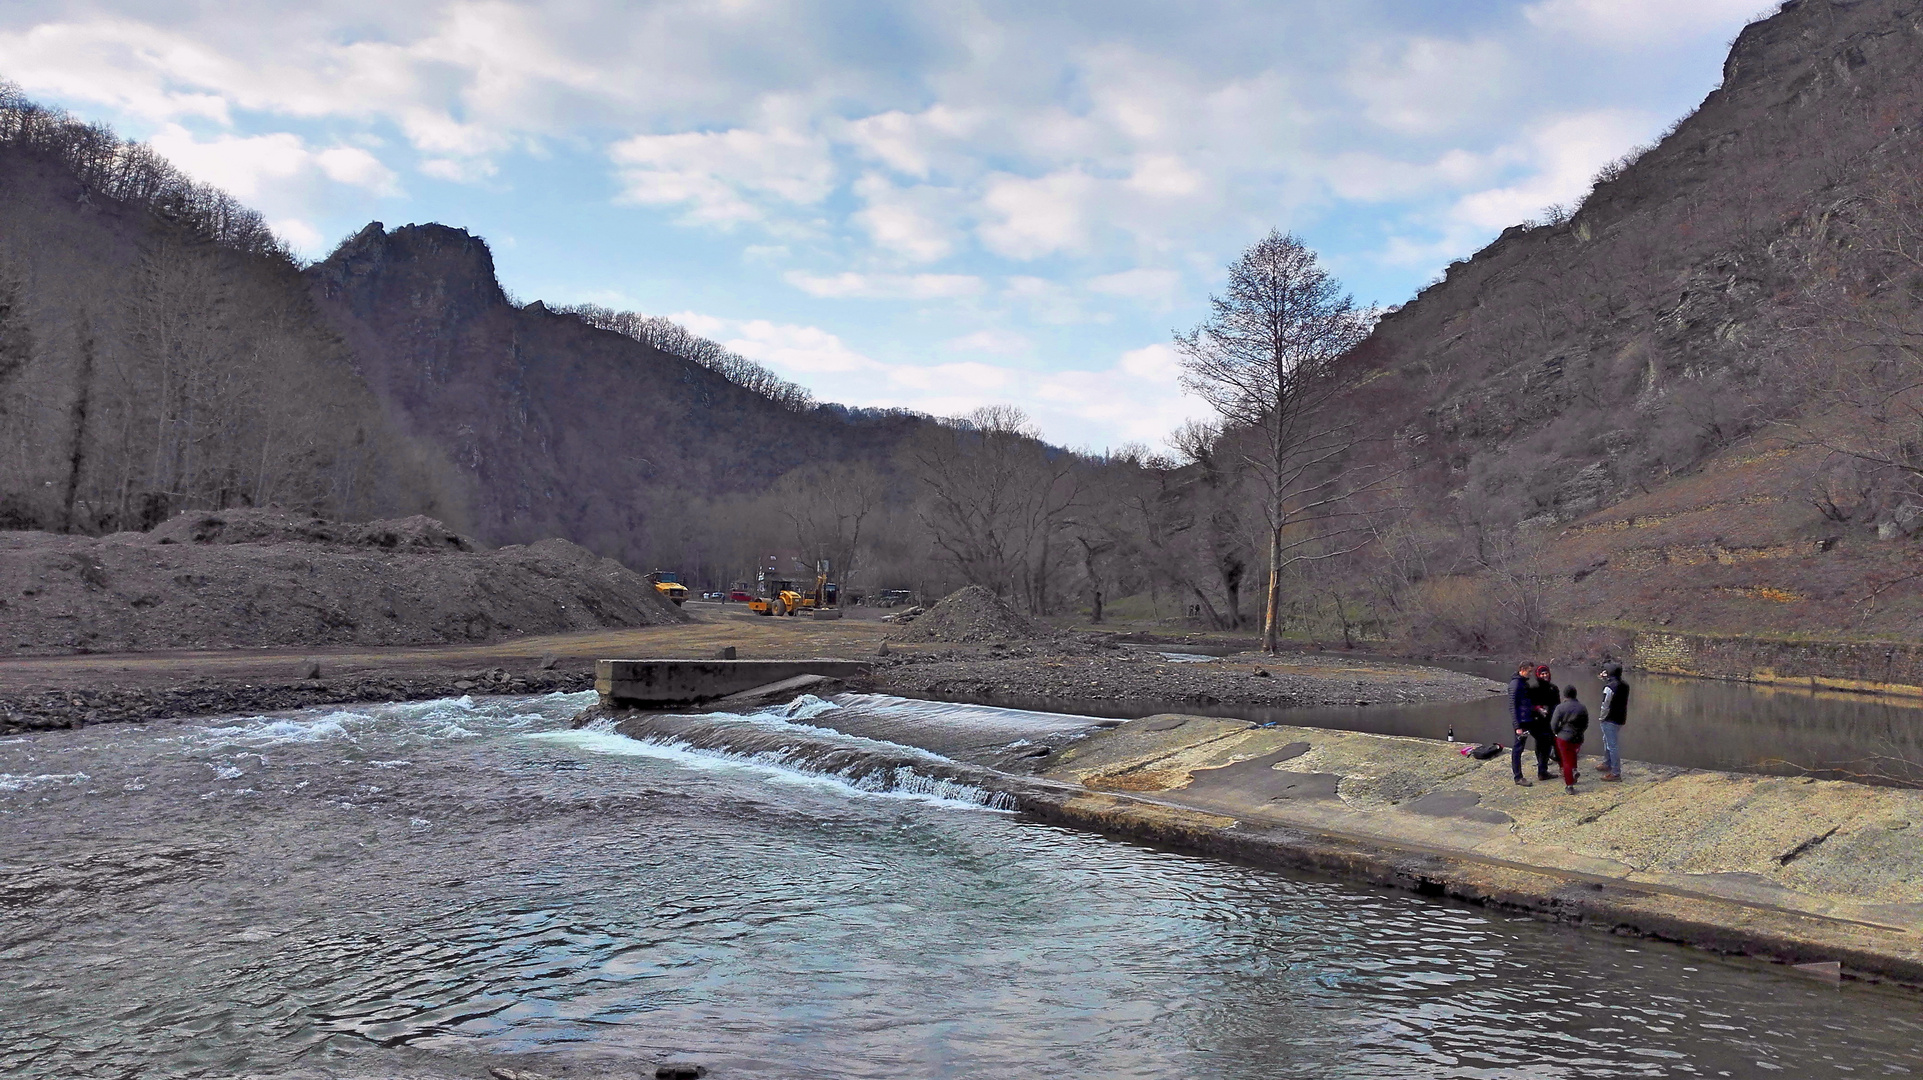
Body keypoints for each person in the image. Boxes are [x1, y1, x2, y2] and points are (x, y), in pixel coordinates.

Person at [1509, 661, 1553, 786]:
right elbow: (1513, 707)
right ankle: (1518, 777)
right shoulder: (1515, 684)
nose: (1531, 674)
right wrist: (1517, 727)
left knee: (1544, 740)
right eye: (1529, 671)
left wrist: (1538, 708)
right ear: (1522, 670)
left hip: (1530, 719)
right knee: (1518, 748)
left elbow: (1528, 702)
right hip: (1522, 722)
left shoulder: (1524, 683)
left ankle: (1542, 772)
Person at [1550, 684, 1590, 794]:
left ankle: (1569, 785)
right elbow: (1586, 723)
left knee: (1566, 761)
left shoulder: (1560, 707)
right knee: (1573, 754)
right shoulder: (1582, 707)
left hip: (1564, 737)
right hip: (1578, 737)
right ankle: (1575, 770)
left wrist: (1558, 732)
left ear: (1565, 695)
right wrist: (1580, 732)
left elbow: (1553, 724)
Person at [1596, 661, 1630, 782]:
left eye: (1605, 672)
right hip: (1620, 718)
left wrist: (1602, 718)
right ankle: (1607, 763)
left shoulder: (1609, 688)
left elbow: (1605, 705)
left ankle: (1615, 772)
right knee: (1607, 740)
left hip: (1609, 719)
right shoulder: (1625, 685)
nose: (1603, 674)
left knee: (1612, 745)